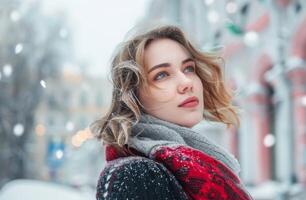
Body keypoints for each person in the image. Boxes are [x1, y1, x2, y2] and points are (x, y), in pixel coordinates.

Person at [91, 24, 253, 200]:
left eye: (188, 68)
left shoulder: (203, 164)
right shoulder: (137, 175)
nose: (186, 82)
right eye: (161, 75)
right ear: (133, 96)